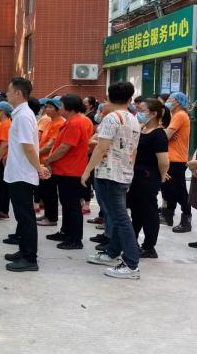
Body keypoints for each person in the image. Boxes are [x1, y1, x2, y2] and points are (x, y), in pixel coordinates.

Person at [84, 81, 141, 279]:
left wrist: (87, 171)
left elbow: (101, 147)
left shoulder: (111, 118)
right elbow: (133, 150)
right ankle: (112, 252)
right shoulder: (133, 119)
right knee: (117, 217)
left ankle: (131, 264)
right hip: (123, 173)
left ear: (108, 97)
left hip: (110, 174)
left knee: (120, 219)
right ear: (130, 99)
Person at [3, 77, 49, 272]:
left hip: (22, 173)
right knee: (22, 217)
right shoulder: (22, 114)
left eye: (9, 91)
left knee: (26, 217)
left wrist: (39, 168)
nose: (6, 94)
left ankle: (30, 258)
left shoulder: (23, 116)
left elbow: (28, 147)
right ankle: (23, 251)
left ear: (18, 93)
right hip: (18, 172)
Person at [43, 95, 90, 249]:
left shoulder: (75, 123)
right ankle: (66, 232)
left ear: (69, 107)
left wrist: (48, 160)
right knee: (67, 204)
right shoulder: (71, 121)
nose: (59, 107)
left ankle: (75, 239)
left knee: (72, 205)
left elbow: (64, 147)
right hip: (65, 169)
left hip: (71, 170)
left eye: (61, 105)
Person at [129, 99, 169, 258]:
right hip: (137, 176)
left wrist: (162, 175)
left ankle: (149, 246)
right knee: (137, 211)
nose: (138, 113)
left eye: (142, 110)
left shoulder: (158, 134)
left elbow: (163, 161)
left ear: (153, 114)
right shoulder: (143, 129)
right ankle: (132, 242)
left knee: (149, 212)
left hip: (148, 177)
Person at [161, 92, 192, 232]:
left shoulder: (179, 115)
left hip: (176, 159)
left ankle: (186, 220)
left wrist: (160, 131)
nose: (167, 101)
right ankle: (168, 216)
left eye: (170, 99)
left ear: (178, 102)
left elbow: (166, 135)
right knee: (168, 189)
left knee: (179, 191)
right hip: (172, 158)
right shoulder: (176, 115)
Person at [37, 98, 66, 227]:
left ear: (58, 109)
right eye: (46, 107)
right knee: (44, 190)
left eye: (50, 107)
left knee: (50, 191)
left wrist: (37, 153)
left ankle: (52, 218)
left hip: (49, 162)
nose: (46, 109)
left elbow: (51, 144)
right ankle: (47, 214)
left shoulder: (59, 123)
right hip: (43, 161)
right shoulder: (50, 121)